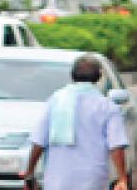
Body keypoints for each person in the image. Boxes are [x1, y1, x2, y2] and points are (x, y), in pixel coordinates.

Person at [20, 54, 130, 190]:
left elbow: (39, 141)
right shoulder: (106, 106)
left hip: (57, 179)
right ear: (99, 76)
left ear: (72, 75)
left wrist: (30, 173)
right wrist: (122, 178)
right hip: (93, 180)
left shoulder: (55, 101)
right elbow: (116, 146)